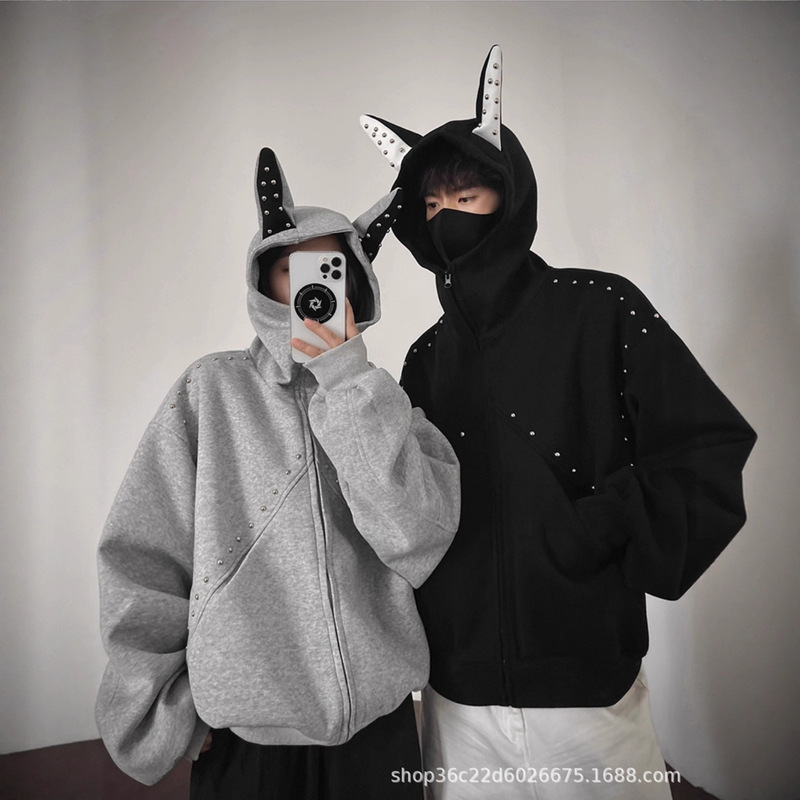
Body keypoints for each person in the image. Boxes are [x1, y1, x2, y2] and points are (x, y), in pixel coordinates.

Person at [360, 46, 757, 799]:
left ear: (510, 194)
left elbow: (706, 447)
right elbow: (403, 511)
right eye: (432, 206)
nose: (447, 217)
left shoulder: (603, 309)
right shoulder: (424, 359)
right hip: (457, 706)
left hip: (591, 698)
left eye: (466, 195)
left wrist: (597, 529)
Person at [95, 146, 461, 799]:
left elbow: (420, 542)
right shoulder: (211, 391)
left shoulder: (385, 402)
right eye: (295, 268)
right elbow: (141, 556)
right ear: (265, 281)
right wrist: (163, 708)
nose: (313, 287)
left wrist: (347, 378)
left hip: (378, 735)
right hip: (247, 744)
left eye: (332, 269)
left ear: (356, 284)